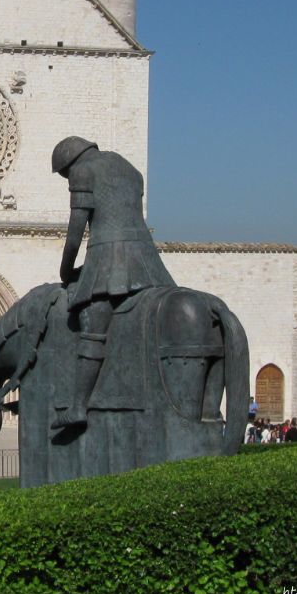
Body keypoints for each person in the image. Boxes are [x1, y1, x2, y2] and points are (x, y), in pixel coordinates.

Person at [49, 137, 178, 430]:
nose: (68, 179)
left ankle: (79, 407)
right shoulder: (130, 169)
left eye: (64, 174)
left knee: (93, 326)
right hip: (146, 258)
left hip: (110, 258)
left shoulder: (83, 171)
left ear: (70, 163)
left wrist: (66, 269)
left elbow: (75, 231)